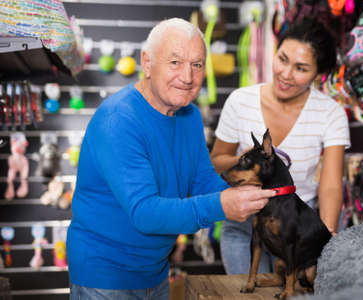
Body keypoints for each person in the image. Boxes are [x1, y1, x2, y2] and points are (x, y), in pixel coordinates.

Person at [67, 18, 275, 300]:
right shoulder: (118, 121)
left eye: (197, 64)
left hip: (155, 270)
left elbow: (202, 179)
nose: (187, 77)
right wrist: (222, 205)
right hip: (105, 276)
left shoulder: (187, 115)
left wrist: (245, 197)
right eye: (175, 62)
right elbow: (144, 212)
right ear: (147, 63)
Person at [210, 18, 351, 275]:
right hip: (245, 228)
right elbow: (217, 159)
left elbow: (330, 184)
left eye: (301, 68)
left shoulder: (331, 113)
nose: (286, 74)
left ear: (318, 74)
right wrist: (245, 162)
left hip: (296, 229)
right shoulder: (240, 101)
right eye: (283, 59)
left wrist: (325, 236)